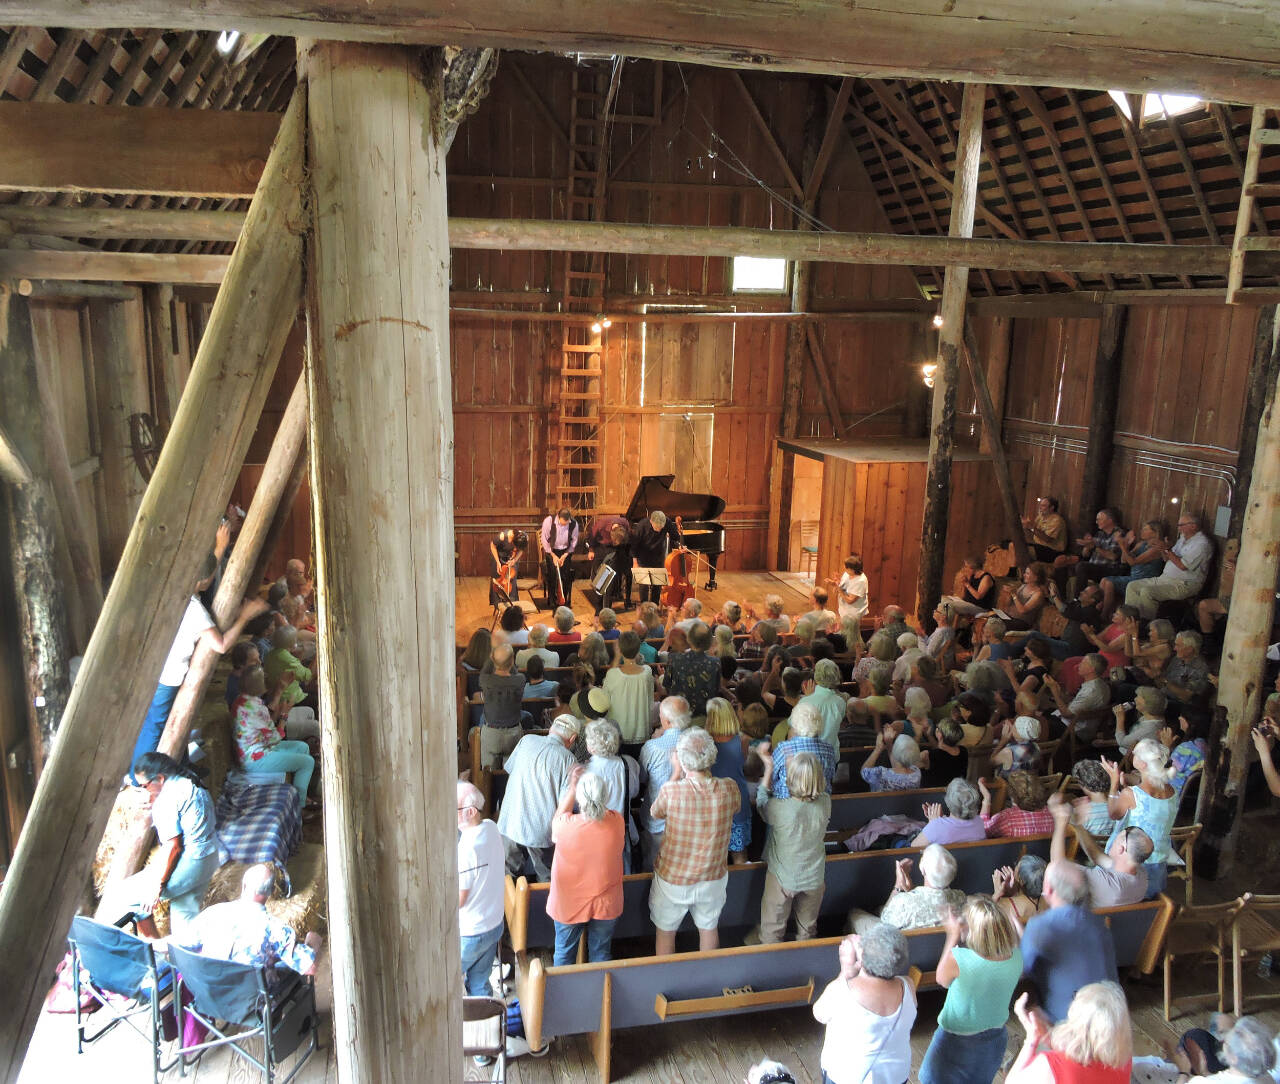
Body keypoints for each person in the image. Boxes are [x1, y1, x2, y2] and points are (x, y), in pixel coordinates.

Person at [133, 553, 269, 782]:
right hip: (170, 674)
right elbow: (222, 645)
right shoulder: (194, 609)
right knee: (156, 725)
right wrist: (244, 617)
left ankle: (182, 765)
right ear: (204, 580)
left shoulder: (175, 593)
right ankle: (138, 777)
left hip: (158, 666)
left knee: (164, 721)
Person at [105, 752, 220, 935]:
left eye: (144, 786)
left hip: (190, 862)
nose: (144, 791)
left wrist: (157, 885)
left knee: (126, 896)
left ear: (159, 778)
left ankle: (154, 947)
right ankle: (186, 959)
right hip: (209, 855)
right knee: (185, 922)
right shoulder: (189, 780)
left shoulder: (167, 799)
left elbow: (174, 847)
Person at [649, 727, 741, 955]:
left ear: (681, 759)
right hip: (712, 875)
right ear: (711, 756)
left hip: (673, 878)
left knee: (665, 931)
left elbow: (654, 812)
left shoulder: (672, 791)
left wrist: (675, 773)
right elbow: (736, 808)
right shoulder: (729, 787)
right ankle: (708, 980)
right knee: (709, 928)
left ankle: (665, 979)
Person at [161, 863, 321, 988]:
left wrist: (147, 945)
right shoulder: (276, 930)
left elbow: (179, 941)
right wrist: (312, 943)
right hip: (255, 1001)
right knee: (285, 964)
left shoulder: (213, 913)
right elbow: (310, 968)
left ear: (244, 885)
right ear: (272, 891)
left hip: (213, 993)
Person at [919, 895, 1024, 1084]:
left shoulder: (960, 958)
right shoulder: (1016, 958)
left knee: (931, 1079)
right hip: (995, 1037)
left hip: (956, 1039)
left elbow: (941, 979)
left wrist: (952, 935)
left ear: (974, 933)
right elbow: (1016, 940)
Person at [813, 926, 918, 1084]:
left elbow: (819, 1014)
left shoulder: (843, 990)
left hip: (847, 1076)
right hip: (895, 1075)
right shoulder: (908, 985)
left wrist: (845, 971)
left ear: (862, 958)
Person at [1020, 860, 1117, 1022]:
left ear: (1048, 889)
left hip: (1064, 1018)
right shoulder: (1099, 924)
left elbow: (1023, 970)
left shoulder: (1039, 925)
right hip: (1108, 1014)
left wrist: (1025, 939)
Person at [751, 749, 830, 943]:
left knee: (772, 929)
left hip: (782, 878)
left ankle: (771, 961)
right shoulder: (826, 802)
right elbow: (808, 793)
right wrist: (797, 772)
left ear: (789, 780)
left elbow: (761, 804)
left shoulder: (779, 807)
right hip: (814, 877)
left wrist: (769, 769)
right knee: (807, 930)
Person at [547, 767, 624, 965]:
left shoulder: (565, 825)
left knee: (564, 954)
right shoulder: (617, 821)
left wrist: (572, 789)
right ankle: (599, 994)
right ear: (605, 796)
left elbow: (557, 820)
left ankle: (564, 995)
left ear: (580, 799)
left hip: (569, 902)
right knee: (601, 953)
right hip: (606, 902)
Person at [496, 715, 582, 880]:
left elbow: (509, 768)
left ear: (551, 729)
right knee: (547, 878)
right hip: (541, 830)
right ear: (572, 739)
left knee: (507, 878)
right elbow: (567, 803)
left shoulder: (526, 741)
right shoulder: (569, 759)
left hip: (511, 821)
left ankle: (508, 906)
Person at [1005, 982, 1133, 1083]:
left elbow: (1011, 1082)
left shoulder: (1049, 1065)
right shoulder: (1123, 1059)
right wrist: (1046, 1037)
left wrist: (1031, 1039)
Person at [1102, 738, 1178, 895]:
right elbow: (1149, 809)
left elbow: (1113, 813)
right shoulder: (1173, 791)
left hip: (1133, 860)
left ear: (1143, 764)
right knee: (1148, 897)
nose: (1132, 754)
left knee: (1125, 896)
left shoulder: (1131, 794)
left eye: (1135, 754)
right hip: (1159, 858)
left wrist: (1114, 783)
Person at [1048, 792, 1151, 906]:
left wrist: (1060, 823)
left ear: (1121, 849)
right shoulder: (1141, 874)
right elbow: (1097, 856)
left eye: (1117, 837)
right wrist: (1077, 825)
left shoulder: (1105, 883)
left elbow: (1057, 866)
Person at [232, 667, 316, 806]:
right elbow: (275, 738)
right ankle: (299, 806)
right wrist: (284, 715)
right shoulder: (257, 708)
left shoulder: (240, 701)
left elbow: (264, 728)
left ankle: (301, 793)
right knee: (307, 762)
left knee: (303, 747)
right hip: (255, 759)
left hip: (251, 750)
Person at [457, 781, 506, 997]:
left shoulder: (467, 850)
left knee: (441, 981)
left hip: (471, 932)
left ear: (470, 812)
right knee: (479, 985)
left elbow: (460, 900)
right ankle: (486, 1027)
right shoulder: (491, 827)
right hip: (494, 925)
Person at [853, 844, 964, 932]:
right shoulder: (961, 898)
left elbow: (885, 919)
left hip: (898, 947)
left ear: (922, 870)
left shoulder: (904, 902)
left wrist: (898, 885)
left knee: (854, 914)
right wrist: (912, 889)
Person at [639, 696, 692, 871]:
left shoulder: (652, 747)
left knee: (652, 865)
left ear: (667, 721)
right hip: (688, 819)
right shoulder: (696, 741)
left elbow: (642, 779)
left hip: (658, 820)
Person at [1126, 513, 1214, 619]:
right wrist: (1162, 549)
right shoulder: (1183, 539)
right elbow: (1167, 558)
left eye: (1181, 525)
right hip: (1166, 579)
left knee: (1147, 592)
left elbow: (1183, 566)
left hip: (1184, 584)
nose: (1179, 528)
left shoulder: (1202, 544)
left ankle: (1147, 624)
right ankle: (1130, 620)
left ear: (1193, 526)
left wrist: (1167, 549)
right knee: (1132, 586)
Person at [1161, 1015, 1277, 1083]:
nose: (1222, 1041)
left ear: (1233, 1058)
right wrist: (1205, 1073)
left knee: (1193, 1036)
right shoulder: (1267, 1078)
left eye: (1226, 1042)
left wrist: (1184, 1072)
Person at [705, 698, 752, 864]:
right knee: (739, 853)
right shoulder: (743, 740)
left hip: (714, 800)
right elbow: (741, 763)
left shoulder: (705, 742)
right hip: (737, 798)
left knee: (715, 856)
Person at [476, 643, 529, 769]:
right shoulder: (520, 680)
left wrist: (493, 658)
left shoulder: (485, 680)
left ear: (492, 660)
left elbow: (485, 670)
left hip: (491, 734)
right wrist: (509, 661)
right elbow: (514, 672)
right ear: (512, 661)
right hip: (513, 733)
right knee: (511, 773)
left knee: (487, 773)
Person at [602, 630, 656, 754]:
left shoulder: (613, 674)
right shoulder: (647, 672)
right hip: (642, 732)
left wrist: (617, 656)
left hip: (619, 734)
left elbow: (605, 697)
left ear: (620, 649)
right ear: (638, 650)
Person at [1099, 520, 1165, 620]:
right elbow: (1124, 560)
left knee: (1109, 583)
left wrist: (1122, 546)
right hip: (1133, 577)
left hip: (1144, 579)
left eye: (1146, 529)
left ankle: (1103, 616)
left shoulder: (1155, 549)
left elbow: (1133, 562)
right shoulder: (1141, 544)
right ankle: (1103, 611)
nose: (1142, 531)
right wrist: (1126, 546)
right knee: (1104, 580)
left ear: (1155, 532)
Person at [769, 702, 837, 797]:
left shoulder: (783, 749)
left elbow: (771, 777)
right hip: (820, 802)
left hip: (787, 803)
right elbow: (830, 776)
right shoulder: (829, 749)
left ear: (794, 724)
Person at [1054, 509, 1125, 597]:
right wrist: (1087, 545)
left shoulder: (1118, 534)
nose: (1096, 522)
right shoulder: (1100, 534)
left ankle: (1077, 600)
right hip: (1094, 566)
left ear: (1109, 520)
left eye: (1099, 519)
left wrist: (1093, 547)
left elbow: (1113, 556)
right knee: (1061, 565)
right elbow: (1085, 555)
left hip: (1108, 568)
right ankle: (1061, 598)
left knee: (1082, 566)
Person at [665, 620, 721, 718]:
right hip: (705, 716)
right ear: (709, 642)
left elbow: (667, 685)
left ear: (689, 639)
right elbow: (716, 689)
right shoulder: (715, 663)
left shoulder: (673, 659)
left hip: (678, 715)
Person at [913, 778, 985, 846]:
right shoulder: (979, 822)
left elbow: (913, 846)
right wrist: (942, 819)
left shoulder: (936, 826)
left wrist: (932, 822)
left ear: (948, 802)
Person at [982, 771, 1053, 838]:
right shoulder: (1053, 813)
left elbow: (983, 831)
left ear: (1012, 795)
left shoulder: (1006, 818)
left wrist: (986, 799)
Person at [798, 658, 846, 750]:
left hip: (809, 754)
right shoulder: (841, 702)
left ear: (816, 676)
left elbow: (795, 727)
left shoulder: (806, 701)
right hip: (831, 755)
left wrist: (807, 698)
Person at [631, 510, 677, 605]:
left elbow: (675, 536)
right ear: (651, 521)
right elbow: (634, 546)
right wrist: (635, 563)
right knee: (643, 585)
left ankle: (654, 605)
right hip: (643, 556)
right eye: (657, 528)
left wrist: (680, 546)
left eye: (661, 528)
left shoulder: (667, 521)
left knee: (657, 583)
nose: (659, 530)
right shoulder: (641, 526)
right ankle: (644, 605)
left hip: (658, 555)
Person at [992, 854, 1049, 929]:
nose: (1014, 868)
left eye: (1016, 866)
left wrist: (996, 893)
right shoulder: (1050, 899)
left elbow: (983, 917)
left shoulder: (1007, 904)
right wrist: (1013, 891)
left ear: (1021, 881)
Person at [587, 522, 631, 614]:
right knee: (600, 586)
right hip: (601, 556)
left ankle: (606, 611)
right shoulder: (601, 528)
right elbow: (590, 538)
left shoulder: (623, 532)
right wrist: (591, 550)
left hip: (613, 559)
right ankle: (599, 610)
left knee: (609, 588)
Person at [540, 506, 580, 607]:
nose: (564, 525)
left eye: (566, 523)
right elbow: (544, 540)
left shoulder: (574, 524)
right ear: (558, 517)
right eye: (562, 523)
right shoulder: (549, 521)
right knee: (553, 575)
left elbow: (574, 541)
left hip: (565, 552)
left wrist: (566, 555)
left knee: (565, 576)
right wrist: (553, 555)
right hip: (552, 551)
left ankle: (563, 599)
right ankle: (552, 600)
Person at [1114, 686, 1169, 755]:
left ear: (1148, 704)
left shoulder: (1150, 728)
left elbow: (1122, 742)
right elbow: (1133, 737)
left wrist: (1119, 718)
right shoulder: (1152, 717)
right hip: (1126, 749)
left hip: (1126, 755)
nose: (1135, 699)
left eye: (1139, 697)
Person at [1022, 496, 1069, 564]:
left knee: (1021, 550)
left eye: (1043, 506)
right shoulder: (1041, 517)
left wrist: (1030, 527)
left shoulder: (1056, 520)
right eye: (1040, 505)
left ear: (1052, 508)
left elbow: (1047, 539)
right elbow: (1034, 531)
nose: (1040, 508)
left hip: (1052, 551)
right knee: (1013, 545)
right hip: (1039, 546)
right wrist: (1025, 525)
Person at [489, 527, 528, 605]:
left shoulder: (524, 537)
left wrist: (515, 560)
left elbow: (521, 550)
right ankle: (498, 604)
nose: (516, 548)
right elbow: (492, 546)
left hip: (511, 559)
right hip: (499, 557)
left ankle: (512, 605)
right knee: (498, 579)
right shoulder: (503, 536)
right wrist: (498, 562)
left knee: (512, 580)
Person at [827, 554, 870, 624]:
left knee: (850, 632)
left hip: (854, 612)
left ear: (853, 569)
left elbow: (850, 600)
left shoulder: (860, 581)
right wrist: (835, 582)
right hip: (844, 609)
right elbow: (844, 585)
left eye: (846, 568)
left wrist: (839, 589)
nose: (844, 568)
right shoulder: (848, 573)